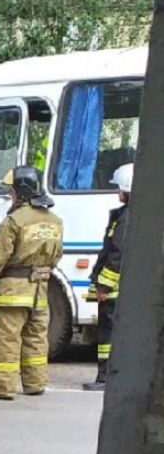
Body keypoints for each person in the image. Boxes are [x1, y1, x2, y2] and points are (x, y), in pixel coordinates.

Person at [0, 166, 64, 401]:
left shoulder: (14, 221)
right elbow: (56, 256)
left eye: (11, 191)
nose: (10, 195)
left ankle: (1, 387)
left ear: (20, 192)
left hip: (13, 290)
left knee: (6, 338)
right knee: (36, 338)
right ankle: (35, 383)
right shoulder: (55, 221)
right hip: (40, 290)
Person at [83, 163, 133, 391]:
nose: (116, 192)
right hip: (120, 289)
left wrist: (103, 285)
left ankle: (105, 378)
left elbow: (116, 254)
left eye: (119, 188)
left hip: (114, 291)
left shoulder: (126, 219)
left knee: (108, 335)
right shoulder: (127, 215)